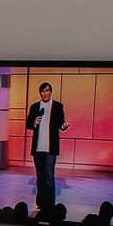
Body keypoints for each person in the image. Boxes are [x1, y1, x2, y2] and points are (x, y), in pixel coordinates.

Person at [26, 81, 68, 212]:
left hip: (50, 148)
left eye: (47, 90)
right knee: (40, 176)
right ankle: (40, 203)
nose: (45, 93)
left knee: (49, 176)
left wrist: (63, 126)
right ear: (40, 93)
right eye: (43, 91)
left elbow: (61, 124)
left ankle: (50, 204)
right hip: (38, 148)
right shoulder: (34, 107)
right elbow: (28, 125)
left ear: (51, 92)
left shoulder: (57, 106)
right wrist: (34, 122)